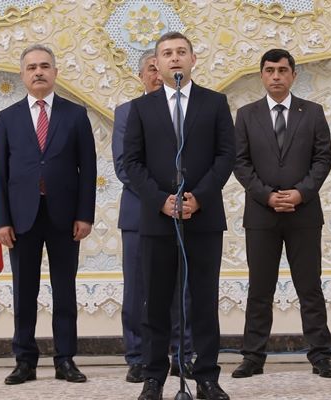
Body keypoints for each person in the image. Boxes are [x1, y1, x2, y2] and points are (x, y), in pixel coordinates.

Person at [123, 31, 235, 400]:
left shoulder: (215, 103)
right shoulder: (141, 108)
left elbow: (226, 156)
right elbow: (132, 163)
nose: (175, 58)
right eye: (167, 53)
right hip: (158, 219)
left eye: (181, 52)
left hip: (203, 218)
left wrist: (198, 198)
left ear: (193, 59)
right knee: (155, 303)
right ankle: (154, 378)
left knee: (203, 302)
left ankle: (206, 378)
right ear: (156, 63)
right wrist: (160, 201)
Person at [0, 44, 97, 385]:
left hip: (65, 218)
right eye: (32, 67)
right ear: (23, 75)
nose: (38, 72)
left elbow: (88, 169)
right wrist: (1, 220)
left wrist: (85, 215)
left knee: (64, 291)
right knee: (24, 292)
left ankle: (65, 359)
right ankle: (24, 361)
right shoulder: (7, 118)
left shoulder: (75, 115)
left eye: (45, 66)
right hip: (21, 219)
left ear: (55, 72)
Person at [232, 48, 331, 379]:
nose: (276, 76)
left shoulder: (313, 112)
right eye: (269, 70)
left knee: (310, 288)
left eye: (282, 70)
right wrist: (267, 196)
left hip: (303, 213)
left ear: (293, 75)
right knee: (259, 289)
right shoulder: (246, 114)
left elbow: (323, 158)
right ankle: (253, 357)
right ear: (261, 75)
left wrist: (300, 193)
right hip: (261, 215)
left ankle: (321, 356)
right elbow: (240, 162)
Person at [112, 49, 194, 384]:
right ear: (143, 75)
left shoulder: (187, 109)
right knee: (138, 290)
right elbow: (124, 167)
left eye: (159, 68)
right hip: (140, 213)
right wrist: (160, 199)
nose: (157, 75)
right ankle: (137, 357)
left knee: (181, 288)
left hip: (184, 211)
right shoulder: (127, 111)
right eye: (150, 69)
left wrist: (182, 198)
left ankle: (182, 354)